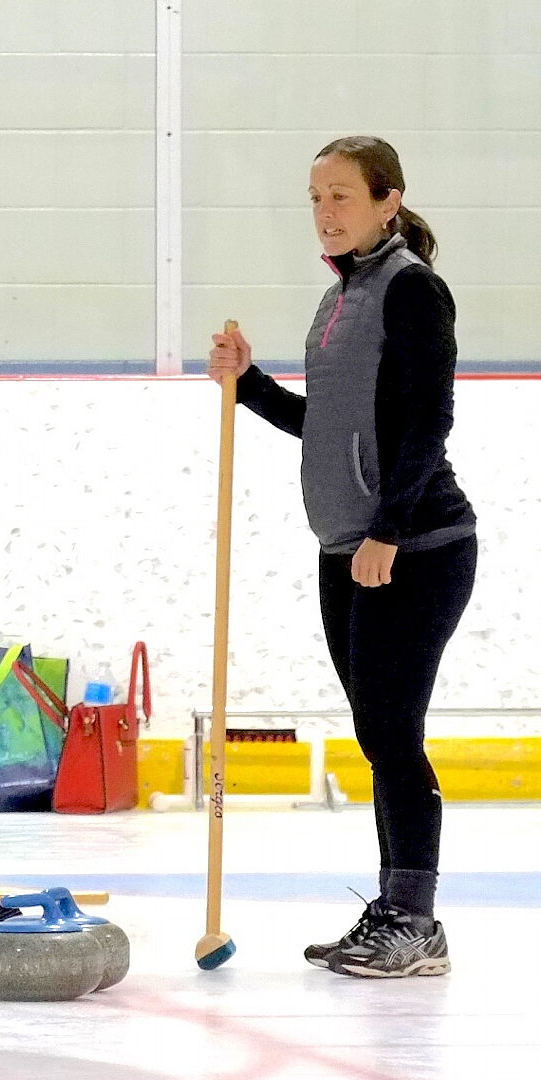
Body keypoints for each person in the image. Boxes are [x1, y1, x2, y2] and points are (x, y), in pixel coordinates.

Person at [208, 136, 475, 978]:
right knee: (377, 732)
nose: (325, 212)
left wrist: (388, 533)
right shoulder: (341, 298)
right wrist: (248, 385)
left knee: (394, 733)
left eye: (342, 197)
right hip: (346, 547)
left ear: (388, 200)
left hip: (417, 546)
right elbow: (325, 425)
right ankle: (394, 911)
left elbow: (429, 422)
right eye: (315, 198)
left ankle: (414, 921)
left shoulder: (411, 290)